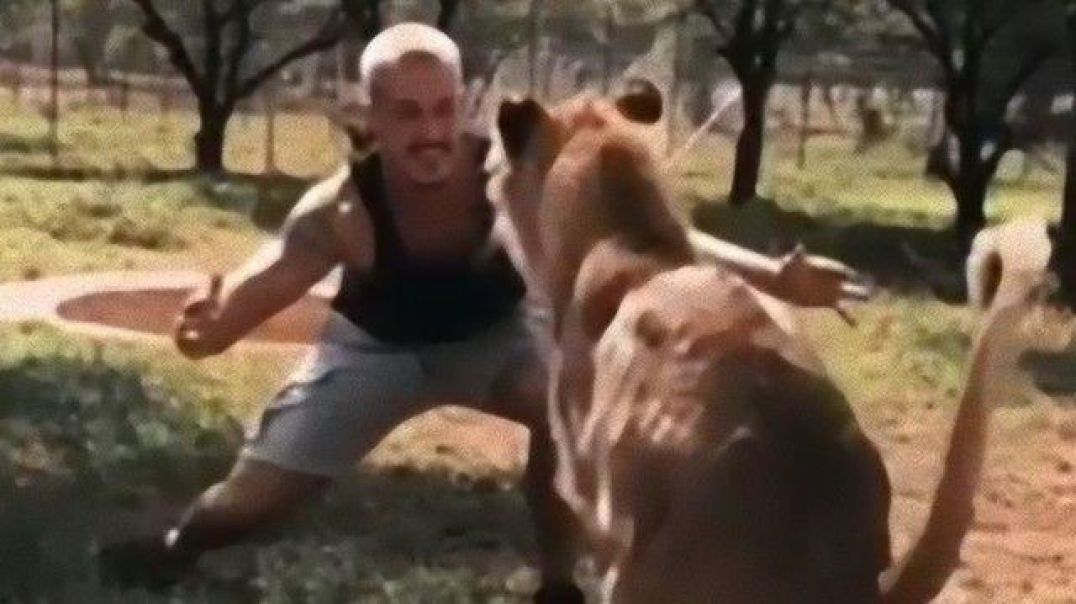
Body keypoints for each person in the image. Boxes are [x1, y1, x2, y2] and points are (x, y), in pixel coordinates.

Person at [98, 22, 868, 602]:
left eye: (441, 108)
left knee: (570, 407)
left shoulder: (514, 163)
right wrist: (211, 325)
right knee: (252, 499)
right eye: (405, 114)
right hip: (376, 354)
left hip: (497, 343)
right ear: (367, 117)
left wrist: (776, 274)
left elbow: (646, 232)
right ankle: (178, 547)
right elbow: (261, 283)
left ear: (462, 102)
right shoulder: (341, 209)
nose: (430, 131)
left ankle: (559, 581)